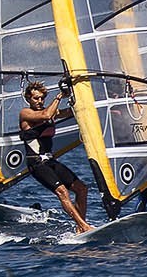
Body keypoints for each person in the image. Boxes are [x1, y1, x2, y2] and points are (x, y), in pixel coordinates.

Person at [18, 79, 92, 233]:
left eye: (42, 98)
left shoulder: (52, 112)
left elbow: (72, 111)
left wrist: (79, 98)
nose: (39, 101)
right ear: (28, 99)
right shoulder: (26, 113)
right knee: (62, 191)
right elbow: (46, 115)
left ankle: (81, 227)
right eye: (35, 98)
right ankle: (84, 226)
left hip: (50, 160)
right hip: (36, 163)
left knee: (81, 189)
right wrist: (59, 96)